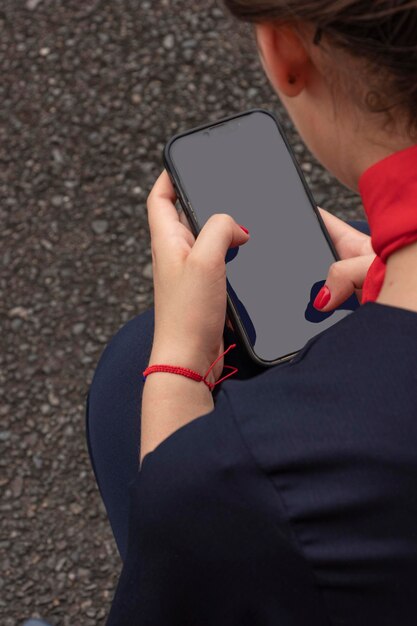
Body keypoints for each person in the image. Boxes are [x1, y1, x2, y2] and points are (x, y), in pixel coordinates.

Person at [86, 1, 417, 624]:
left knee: (128, 370)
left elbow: (187, 538)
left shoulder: (247, 476)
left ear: (285, 53)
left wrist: (179, 367)